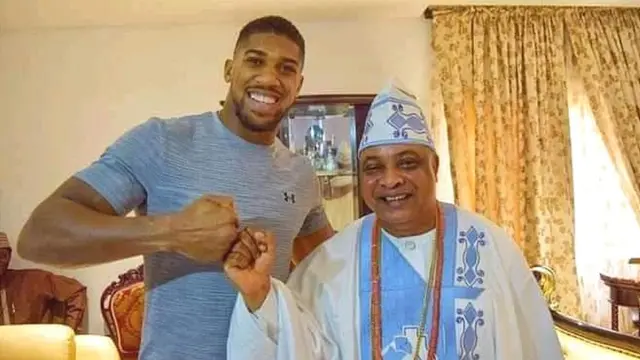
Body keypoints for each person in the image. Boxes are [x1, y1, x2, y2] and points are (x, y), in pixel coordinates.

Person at [16, 15, 334, 360]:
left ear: (298, 85)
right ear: (229, 70)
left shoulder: (301, 174)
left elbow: (333, 275)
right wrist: (173, 232)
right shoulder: (163, 142)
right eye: (255, 60)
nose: (270, 78)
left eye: (286, 69)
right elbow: (39, 235)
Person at [223, 82, 565, 359]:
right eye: (373, 167)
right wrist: (258, 294)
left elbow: (532, 346)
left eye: (407, 162)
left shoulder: (492, 248)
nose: (390, 180)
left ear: (435, 168)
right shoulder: (332, 262)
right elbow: (302, 348)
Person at [0, 232, 86, 331]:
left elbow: (76, 290)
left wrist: (68, 332)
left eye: (2, 256)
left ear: (9, 257)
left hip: (32, 343)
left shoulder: (30, 280)